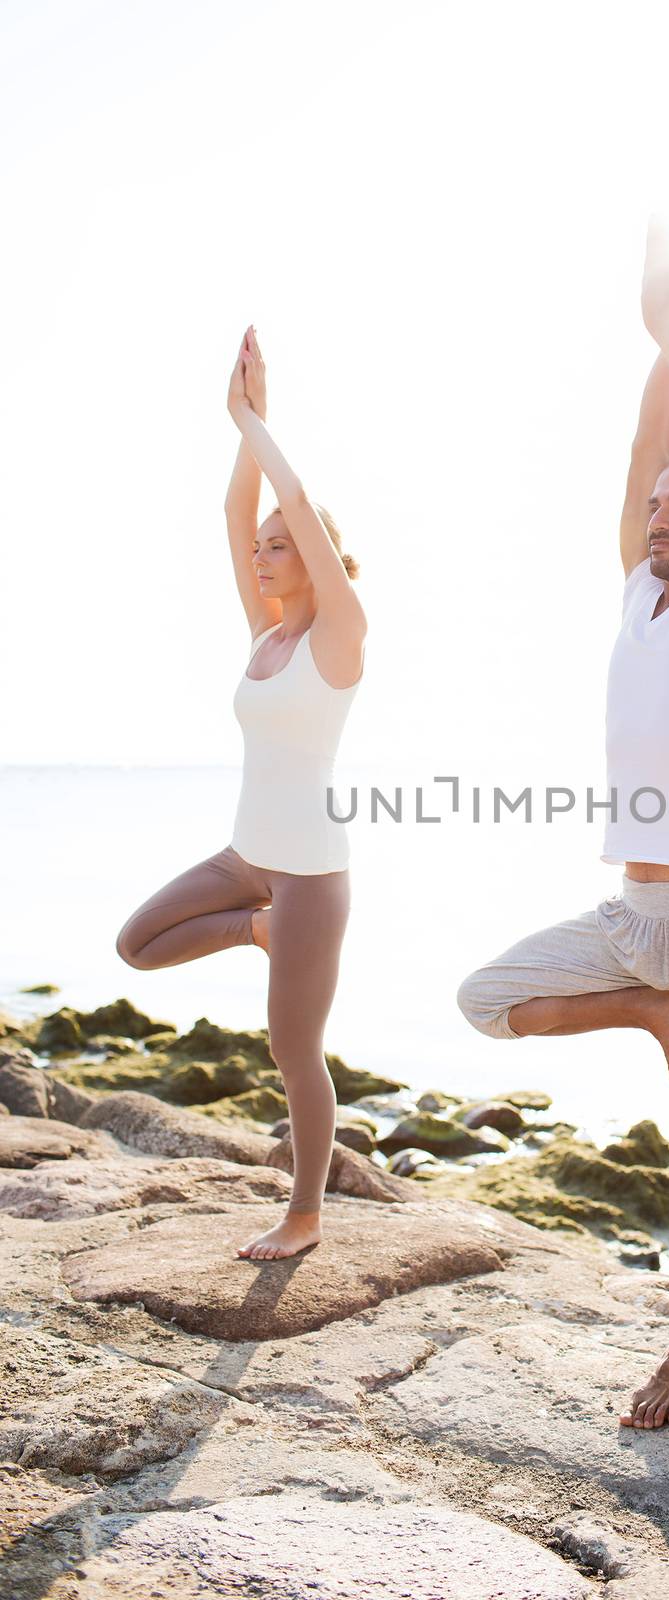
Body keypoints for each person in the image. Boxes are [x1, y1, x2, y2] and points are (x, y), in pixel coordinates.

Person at [456, 221, 669, 1428]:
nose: (657, 512)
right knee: (488, 1000)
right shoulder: (638, 588)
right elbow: (652, 439)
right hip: (634, 914)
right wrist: (659, 341)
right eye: (653, 501)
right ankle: (652, 1013)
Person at [114, 326, 367, 1262]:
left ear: (312, 556)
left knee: (292, 1052)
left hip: (311, 870)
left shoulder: (338, 633)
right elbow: (238, 512)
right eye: (260, 549)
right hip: (246, 858)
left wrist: (254, 418)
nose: (261, 555)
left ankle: (304, 1215)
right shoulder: (261, 634)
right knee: (138, 943)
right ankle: (253, 933)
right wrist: (242, 428)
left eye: (278, 547)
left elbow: (288, 501)